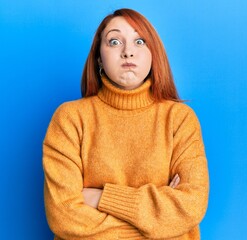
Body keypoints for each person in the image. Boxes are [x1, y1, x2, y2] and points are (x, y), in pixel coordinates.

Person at [43, 8, 209, 240]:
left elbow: (190, 207)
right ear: (99, 57)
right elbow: (63, 217)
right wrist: (158, 224)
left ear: (154, 53)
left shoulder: (180, 119)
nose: (128, 52)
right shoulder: (70, 119)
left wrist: (100, 197)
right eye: (114, 41)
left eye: (139, 41)